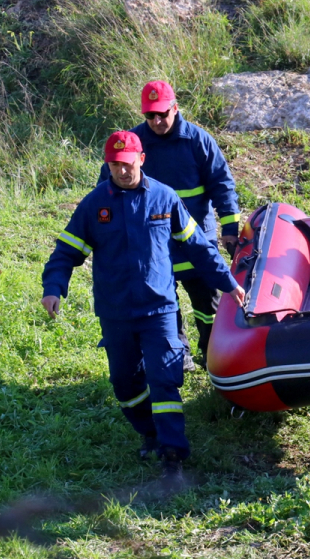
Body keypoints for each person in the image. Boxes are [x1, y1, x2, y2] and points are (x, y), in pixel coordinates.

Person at [44, 131, 245, 479]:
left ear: (141, 159)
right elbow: (66, 252)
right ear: (108, 165)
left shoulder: (164, 199)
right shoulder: (94, 205)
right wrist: (54, 288)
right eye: (114, 165)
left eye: (127, 163)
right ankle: (148, 432)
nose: (121, 171)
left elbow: (198, 247)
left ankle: (172, 456)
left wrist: (228, 284)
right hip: (116, 312)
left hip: (159, 310)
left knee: (165, 380)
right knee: (125, 384)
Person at [98, 80, 241, 372]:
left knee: (208, 305)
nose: (157, 120)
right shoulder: (133, 145)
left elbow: (222, 184)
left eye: (163, 113)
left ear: (175, 108)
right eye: (150, 115)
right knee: (165, 305)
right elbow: (107, 189)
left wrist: (229, 229)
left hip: (195, 240)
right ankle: (180, 356)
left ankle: (213, 352)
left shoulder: (198, 141)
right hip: (152, 244)